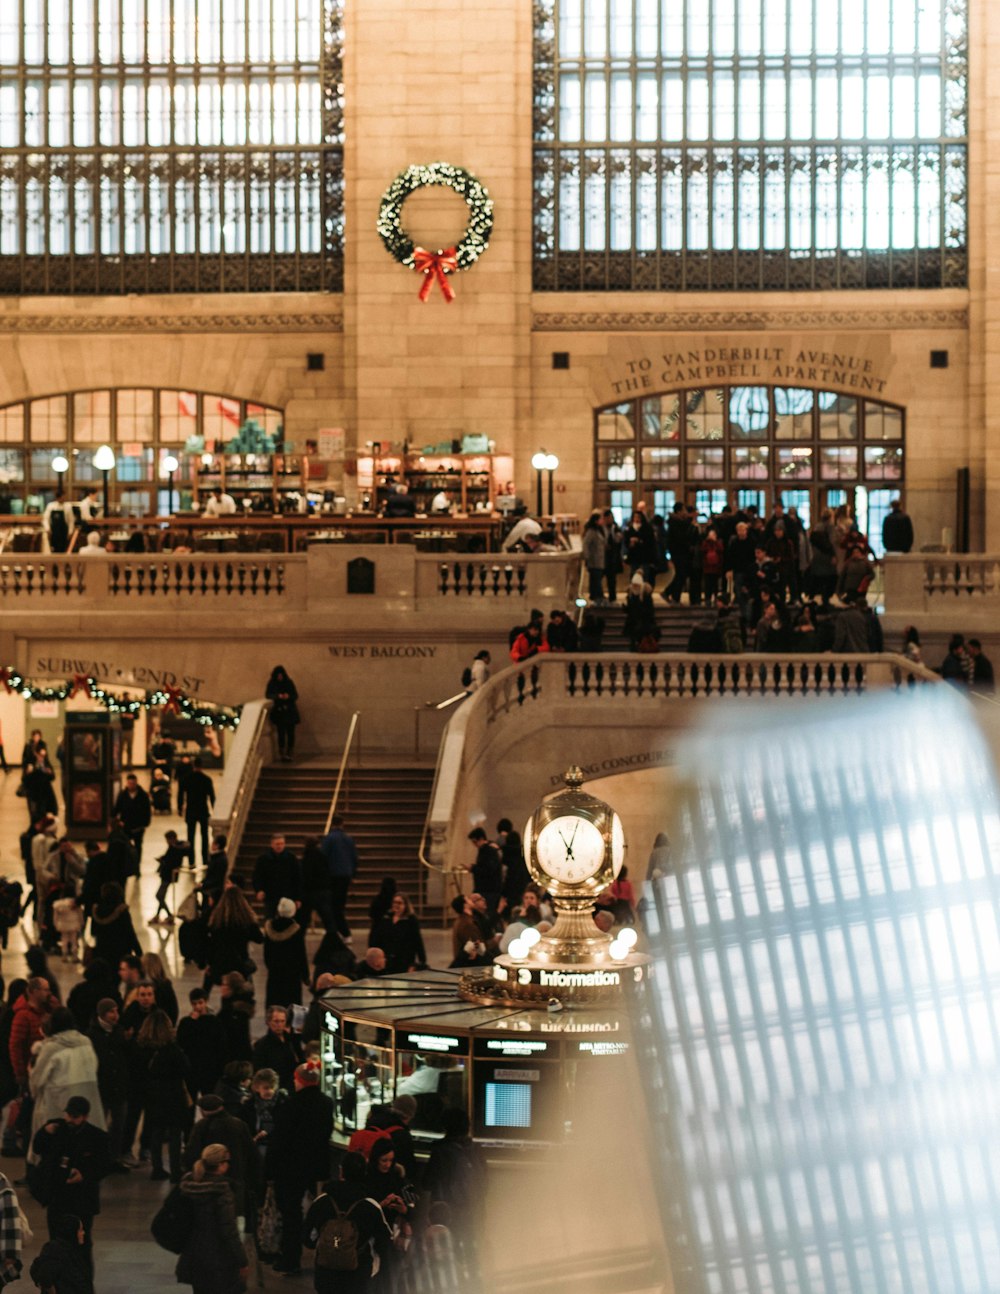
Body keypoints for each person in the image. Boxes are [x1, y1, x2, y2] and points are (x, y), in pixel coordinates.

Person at [31, 1095, 110, 1268]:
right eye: (68, 1115)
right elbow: (37, 1147)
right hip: (58, 1196)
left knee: (82, 1243)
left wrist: (84, 1175)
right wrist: (45, 1132)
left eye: (75, 1117)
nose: (70, 1120)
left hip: (82, 1200)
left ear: (85, 1117)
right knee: (56, 1242)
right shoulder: (57, 1127)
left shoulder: (97, 1137)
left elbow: (104, 1165)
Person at [270, 1065, 334, 1274]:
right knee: (323, 1211)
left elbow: (279, 1141)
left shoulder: (289, 1106)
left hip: (291, 1168)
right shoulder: (326, 1103)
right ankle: (326, 1256)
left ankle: (291, 1258)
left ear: (298, 1080)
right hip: (317, 1166)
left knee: (291, 1213)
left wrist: (268, 1171)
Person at [303, 1151, 393, 1294]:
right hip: (357, 1276)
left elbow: (308, 1239)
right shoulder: (370, 1206)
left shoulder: (322, 1201)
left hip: (325, 1274)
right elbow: (385, 1243)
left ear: (341, 1171)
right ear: (365, 1173)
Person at [176, 1143, 248, 1294]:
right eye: (227, 1161)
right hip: (217, 1255)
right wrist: (242, 1260)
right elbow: (229, 1230)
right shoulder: (222, 1189)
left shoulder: (188, 1184)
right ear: (221, 1165)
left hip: (193, 1251)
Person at [29, 1008, 105, 1150]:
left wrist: (34, 1094)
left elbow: (37, 1079)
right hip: (86, 1096)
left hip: (56, 1101)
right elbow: (94, 1066)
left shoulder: (51, 1047)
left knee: (56, 1145)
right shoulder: (86, 1042)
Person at [184, 1093, 259, 1231]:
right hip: (236, 1177)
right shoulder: (238, 1124)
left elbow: (191, 1153)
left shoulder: (201, 1126)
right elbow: (252, 1153)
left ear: (202, 1110)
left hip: (209, 1179)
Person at [137, 1008, 191, 1182]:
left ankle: (157, 1168)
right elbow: (185, 1069)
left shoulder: (142, 1048)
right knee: (175, 1134)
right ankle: (176, 1171)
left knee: (156, 1131)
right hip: (173, 1095)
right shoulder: (172, 1049)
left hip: (152, 1095)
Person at [86, 998, 130, 1170]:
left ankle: (114, 1158)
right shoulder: (92, 1034)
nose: (116, 1015)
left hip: (119, 1086)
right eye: (112, 1011)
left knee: (118, 1124)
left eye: (116, 1011)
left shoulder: (119, 1031)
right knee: (99, 1124)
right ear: (102, 1014)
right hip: (102, 1087)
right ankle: (99, 1157)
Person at [205, 886, 264, 986]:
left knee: (226, 991)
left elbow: (211, 944)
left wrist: (210, 963)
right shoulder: (246, 921)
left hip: (222, 964)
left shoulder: (217, 921)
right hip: (241, 964)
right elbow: (259, 939)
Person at [176, 989, 224, 1099]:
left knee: (209, 1100)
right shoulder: (186, 1022)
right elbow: (182, 1042)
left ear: (206, 1002)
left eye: (200, 1003)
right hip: (192, 1070)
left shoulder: (215, 1022)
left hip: (209, 1069)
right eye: (194, 1003)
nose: (198, 1006)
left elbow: (220, 1046)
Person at [29, 1212, 93, 1294]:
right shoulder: (56, 1251)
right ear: (72, 1232)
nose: (83, 1233)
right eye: (80, 1230)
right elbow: (44, 1276)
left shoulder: (72, 1250)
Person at [262, 897, 309, 1008]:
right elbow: (301, 954)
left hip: (274, 973)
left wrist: (271, 966)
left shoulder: (269, 927)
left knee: (275, 1003)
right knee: (291, 1007)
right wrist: (305, 975)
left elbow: (266, 953)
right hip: (292, 975)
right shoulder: (296, 930)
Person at [319, 816, 357, 940]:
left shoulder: (329, 839)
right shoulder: (349, 839)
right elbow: (354, 857)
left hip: (332, 876)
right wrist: (353, 874)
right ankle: (337, 930)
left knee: (332, 905)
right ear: (342, 824)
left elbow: (323, 857)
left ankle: (340, 931)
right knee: (339, 905)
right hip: (346, 875)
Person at [251, 1006, 303, 1093]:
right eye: (276, 1021)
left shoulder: (292, 1040)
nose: (279, 1025)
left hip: (294, 1086)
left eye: (282, 1021)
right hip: (275, 1089)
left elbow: (301, 1058)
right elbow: (259, 1071)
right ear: (268, 1022)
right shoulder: (262, 1045)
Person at [370, 893, 426, 975]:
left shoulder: (411, 920)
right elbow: (378, 938)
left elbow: (417, 940)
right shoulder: (386, 919)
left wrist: (421, 961)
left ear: (405, 905)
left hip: (404, 960)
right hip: (387, 960)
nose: (396, 905)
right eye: (394, 902)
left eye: (399, 903)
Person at [90, 883, 142, 968]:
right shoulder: (121, 911)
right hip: (121, 952)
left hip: (102, 951)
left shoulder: (96, 911)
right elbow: (130, 933)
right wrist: (139, 953)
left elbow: (93, 932)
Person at [253, 832, 301, 921]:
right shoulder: (263, 859)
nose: (280, 846)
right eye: (277, 844)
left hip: (287, 894)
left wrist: (297, 898)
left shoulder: (291, 858)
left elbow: (297, 878)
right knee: (269, 918)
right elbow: (257, 876)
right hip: (270, 893)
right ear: (272, 845)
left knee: (286, 920)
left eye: (282, 844)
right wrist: (258, 890)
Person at [178, 757, 216, 869]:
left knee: (191, 836)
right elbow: (212, 796)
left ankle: (191, 861)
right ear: (202, 766)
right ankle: (205, 859)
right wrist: (214, 809)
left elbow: (181, 795)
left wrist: (180, 808)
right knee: (204, 836)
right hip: (203, 810)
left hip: (191, 810)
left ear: (193, 766)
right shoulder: (206, 779)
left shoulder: (186, 778)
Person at [112, 774, 152, 873]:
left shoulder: (142, 795)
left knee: (138, 847)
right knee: (126, 846)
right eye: (130, 783)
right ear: (127, 783)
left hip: (138, 827)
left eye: (133, 783)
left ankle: (137, 867)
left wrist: (145, 823)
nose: (131, 785)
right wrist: (117, 820)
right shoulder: (123, 795)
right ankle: (127, 866)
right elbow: (117, 808)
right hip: (126, 826)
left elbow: (147, 810)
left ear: (136, 783)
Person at [266, 665, 301, 761]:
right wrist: (278, 696)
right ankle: (282, 752)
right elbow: (268, 695)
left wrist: (288, 696)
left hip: (289, 711)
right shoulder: (272, 683)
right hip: (279, 712)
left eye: (281, 675)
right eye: (278, 676)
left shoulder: (288, 682)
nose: (280, 677)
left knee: (290, 733)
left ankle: (289, 752)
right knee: (281, 733)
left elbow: (295, 695)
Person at [466, 827, 502, 912]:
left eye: (475, 842)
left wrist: (473, 868)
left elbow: (488, 870)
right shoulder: (485, 850)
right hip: (487, 889)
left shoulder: (489, 851)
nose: (474, 845)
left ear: (481, 839)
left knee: (487, 912)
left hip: (488, 890)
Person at [23, 742, 57, 825]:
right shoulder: (30, 762)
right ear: (36, 754)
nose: (42, 758)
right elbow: (25, 780)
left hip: (45, 795)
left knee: (44, 816)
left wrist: (49, 772)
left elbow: (53, 777)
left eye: (44, 756)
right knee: (35, 816)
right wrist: (29, 772)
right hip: (34, 795)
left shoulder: (46, 763)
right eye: (40, 756)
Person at [582, 511, 606, 604]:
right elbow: (586, 544)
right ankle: (597, 595)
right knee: (595, 578)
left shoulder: (599, 531)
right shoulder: (591, 531)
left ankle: (597, 595)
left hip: (599, 559)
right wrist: (587, 557)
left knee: (598, 577)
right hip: (594, 560)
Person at [43, 489, 76, 554]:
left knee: (64, 550)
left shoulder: (68, 506)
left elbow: (71, 520)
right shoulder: (51, 506)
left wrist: (70, 532)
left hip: (64, 532)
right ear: (58, 498)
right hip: (54, 532)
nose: (63, 499)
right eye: (61, 497)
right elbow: (45, 519)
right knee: (53, 550)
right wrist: (48, 529)